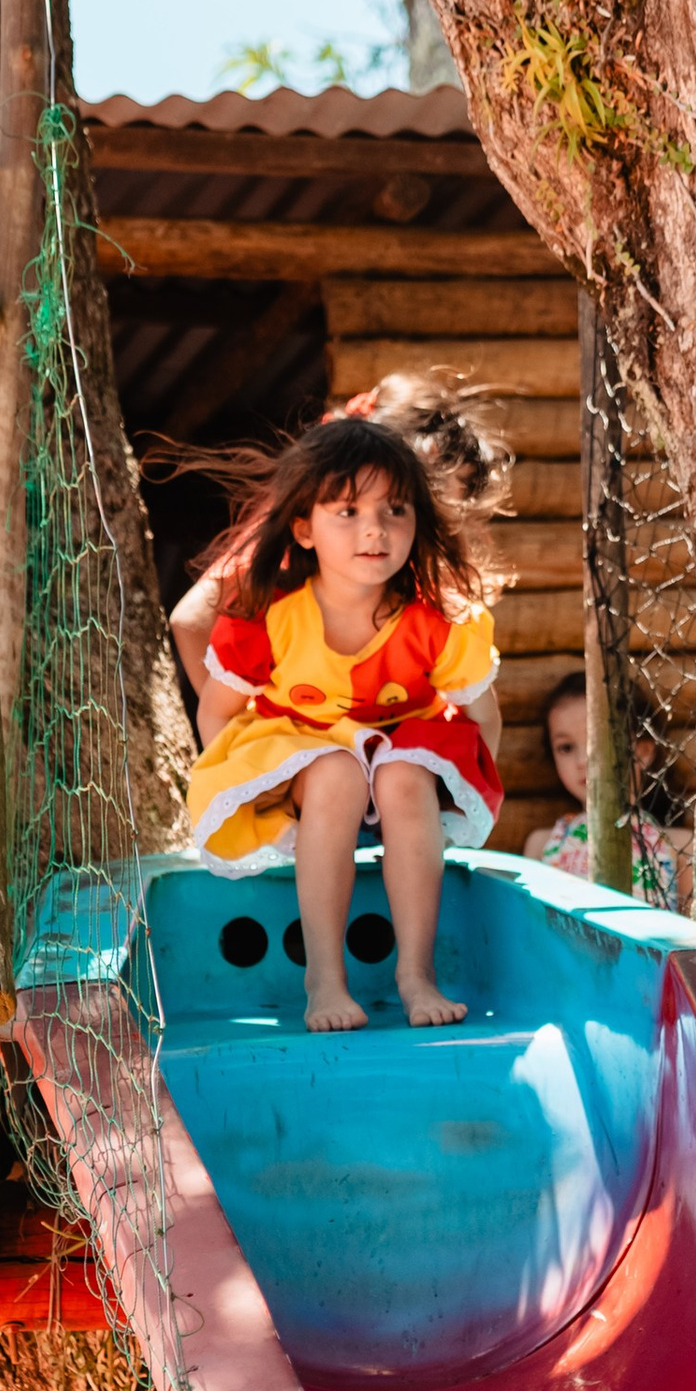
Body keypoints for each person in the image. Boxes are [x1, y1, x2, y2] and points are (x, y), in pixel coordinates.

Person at [172, 414, 502, 1031]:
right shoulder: (271, 616)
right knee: (334, 773)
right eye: (347, 511)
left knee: (403, 775)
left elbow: (483, 719)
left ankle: (417, 975)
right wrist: (259, 786)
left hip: (399, 757)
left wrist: (452, 798)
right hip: (310, 762)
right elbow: (216, 711)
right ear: (303, 528)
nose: (374, 528)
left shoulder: (435, 623)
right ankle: (324, 978)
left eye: (395, 509)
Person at [520, 668, 687, 908]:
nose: (582, 761)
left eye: (597, 741)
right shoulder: (542, 845)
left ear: (643, 751)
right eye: (566, 747)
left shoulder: (679, 848)